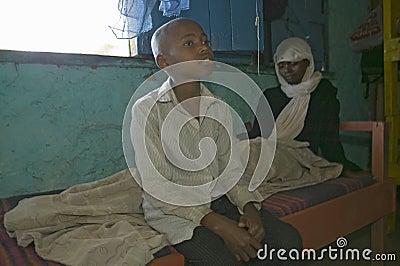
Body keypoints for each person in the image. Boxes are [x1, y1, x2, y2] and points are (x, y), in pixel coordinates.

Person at [130, 18, 302, 265]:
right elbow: (158, 187)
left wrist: (249, 207)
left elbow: (230, 170)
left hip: (216, 200)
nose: (203, 48)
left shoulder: (218, 109)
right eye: (189, 43)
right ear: (164, 62)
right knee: (221, 259)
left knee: (288, 241)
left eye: (204, 41)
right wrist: (218, 224)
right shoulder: (147, 110)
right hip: (174, 211)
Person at [249, 37, 370, 178]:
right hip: (268, 152)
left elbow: (329, 137)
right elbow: (259, 136)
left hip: (300, 159)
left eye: (293, 64)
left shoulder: (322, 93)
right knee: (237, 154)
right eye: (281, 65)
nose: (286, 70)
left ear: (307, 63)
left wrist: (342, 168)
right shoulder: (270, 96)